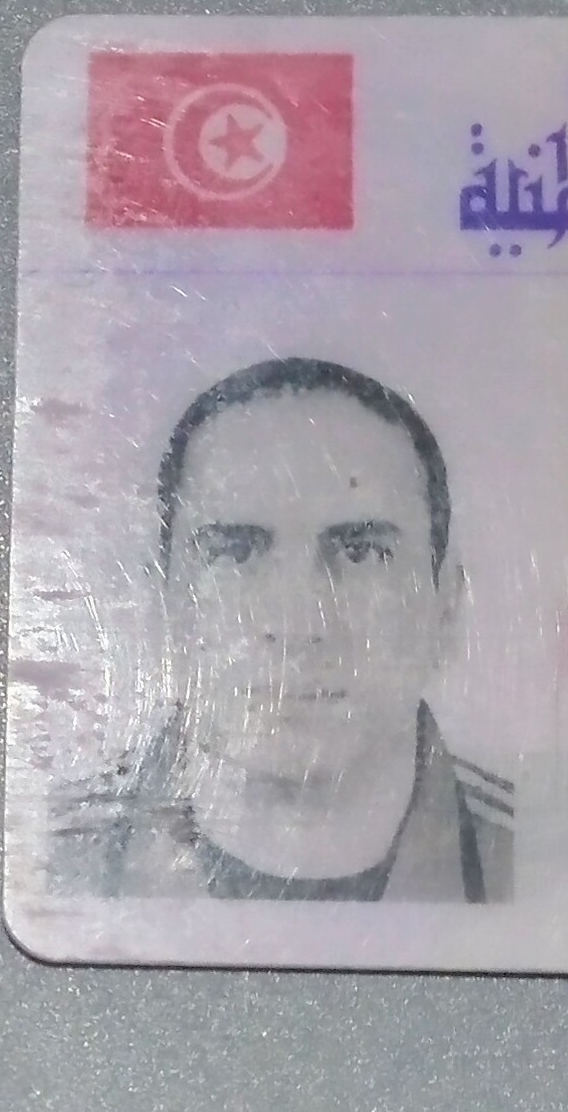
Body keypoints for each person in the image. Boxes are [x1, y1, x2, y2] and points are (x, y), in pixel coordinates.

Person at [51, 357, 513, 902]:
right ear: (162, 602)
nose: (297, 626)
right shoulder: (48, 863)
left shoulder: (541, 862)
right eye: (233, 553)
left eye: (361, 553)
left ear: (446, 606)